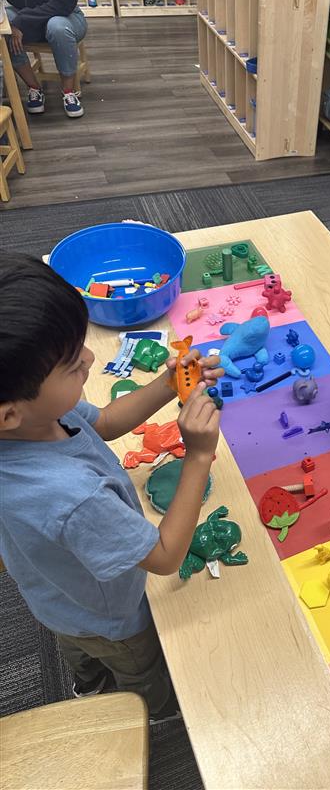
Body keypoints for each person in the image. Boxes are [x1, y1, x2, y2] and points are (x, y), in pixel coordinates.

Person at [0, 255, 224, 723]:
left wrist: (168, 383)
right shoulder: (72, 497)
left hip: (55, 596)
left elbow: (104, 422)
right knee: (138, 669)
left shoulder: (34, 420)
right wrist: (199, 455)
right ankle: (154, 715)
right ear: (9, 412)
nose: (91, 358)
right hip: (113, 618)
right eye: (71, 362)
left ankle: (87, 681)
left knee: (78, 644)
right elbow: (163, 558)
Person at [6, 0, 87, 118]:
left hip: (65, 15)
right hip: (30, 14)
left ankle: (68, 91)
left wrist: (21, 20)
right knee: (4, 25)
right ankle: (34, 87)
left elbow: (63, 4)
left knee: (57, 27)